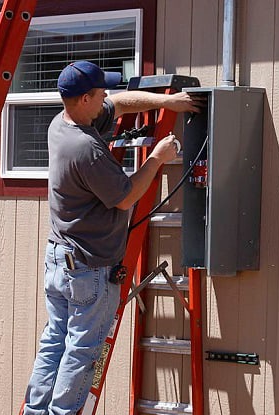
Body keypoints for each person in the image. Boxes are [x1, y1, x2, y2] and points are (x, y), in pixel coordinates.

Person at [23, 61, 202, 415]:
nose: (107, 95)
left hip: (61, 260)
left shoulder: (61, 124)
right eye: (100, 91)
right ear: (86, 98)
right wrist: (156, 157)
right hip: (89, 269)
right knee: (81, 350)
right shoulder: (86, 148)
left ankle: (35, 410)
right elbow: (124, 196)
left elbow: (120, 103)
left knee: (54, 342)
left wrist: (165, 104)